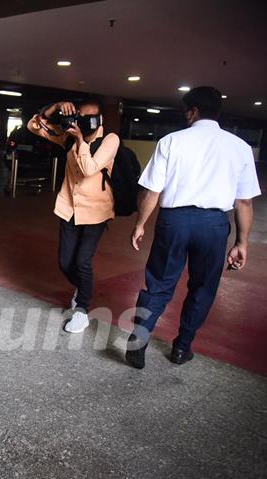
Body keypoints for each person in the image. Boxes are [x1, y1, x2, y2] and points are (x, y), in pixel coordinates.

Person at [126, 86, 261, 369]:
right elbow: (244, 202)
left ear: (193, 111)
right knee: (202, 287)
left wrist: (140, 224)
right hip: (213, 225)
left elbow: (152, 191)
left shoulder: (171, 141)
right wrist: (242, 242)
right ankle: (181, 348)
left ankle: (139, 341)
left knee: (159, 283)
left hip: (174, 222)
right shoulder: (240, 148)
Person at [27, 98, 119, 333]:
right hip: (69, 207)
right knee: (65, 261)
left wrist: (80, 140)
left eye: (88, 118)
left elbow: (90, 169)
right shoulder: (67, 136)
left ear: (99, 120)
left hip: (96, 210)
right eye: (79, 116)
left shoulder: (109, 140)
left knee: (82, 261)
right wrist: (55, 107)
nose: (82, 122)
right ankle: (83, 288)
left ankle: (82, 310)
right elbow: (34, 126)